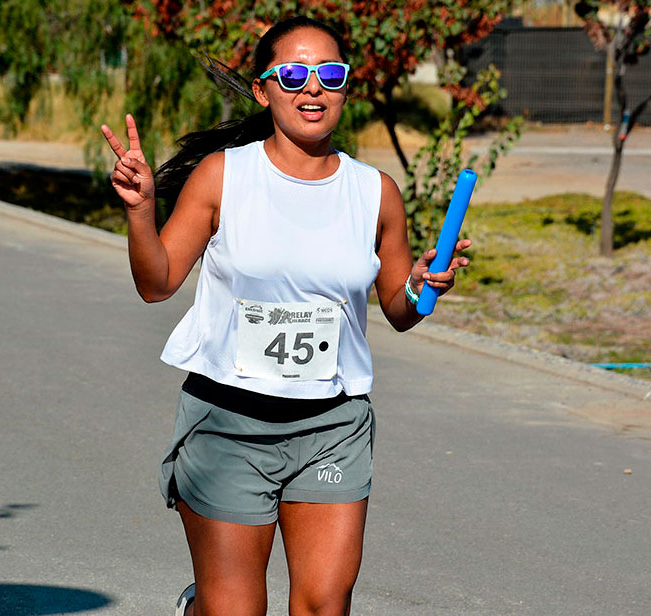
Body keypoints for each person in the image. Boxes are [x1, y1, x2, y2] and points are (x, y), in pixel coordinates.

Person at [100, 16, 471, 616]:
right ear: (262, 89)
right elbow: (157, 282)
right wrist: (141, 211)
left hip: (331, 428)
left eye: (330, 74)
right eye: (293, 74)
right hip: (229, 425)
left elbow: (399, 310)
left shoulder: (375, 192)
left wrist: (422, 285)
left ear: (346, 87)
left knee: (326, 604)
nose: (313, 88)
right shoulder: (225, 175)